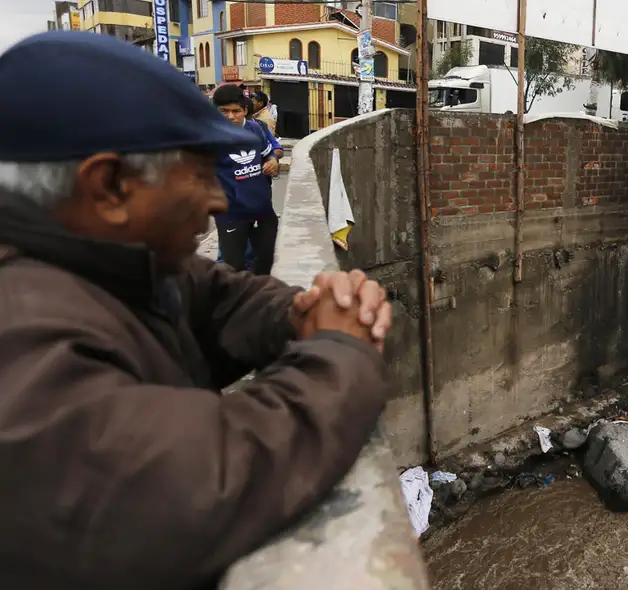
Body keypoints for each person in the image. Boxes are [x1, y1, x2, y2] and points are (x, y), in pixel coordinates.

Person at [0, 31, 392, 589]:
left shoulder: (110, 262)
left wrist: (304, 311)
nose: (217, 200)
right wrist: (338, 353)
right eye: (201, 174)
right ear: (110, 186)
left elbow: (215, 296)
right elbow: (192, 485)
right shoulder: (18, 341)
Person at [213, 85, 282, 275]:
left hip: (262, 210)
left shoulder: (256, 129)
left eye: (235, 111)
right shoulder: (210, 137)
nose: (230, 117)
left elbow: (270, 153)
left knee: (266, 262)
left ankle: (263, 302)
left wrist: (273, 161)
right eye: (223, 111)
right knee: (232, 268)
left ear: (245, 109)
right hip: (231, 214)